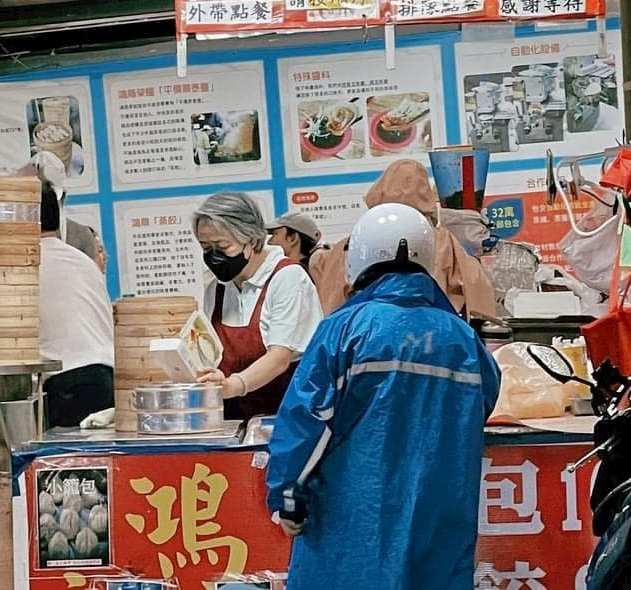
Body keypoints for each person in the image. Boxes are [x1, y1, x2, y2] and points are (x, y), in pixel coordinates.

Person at [267, 203, 500, 590]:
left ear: (358, 258)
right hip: (438, 521)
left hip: (354, 522)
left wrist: (286, 495)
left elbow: (306, 421)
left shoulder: (343, 330)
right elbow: (485, 401)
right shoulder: (462, 338)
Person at [309, 159, 496, 319]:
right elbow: (476, 289)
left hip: (360, 337)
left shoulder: (355, 241)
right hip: (428, 335)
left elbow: (324, 275)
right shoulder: (442, 241)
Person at [192, 192, 323, 419]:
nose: (214, 257)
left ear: (251, 240)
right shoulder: (218, 288)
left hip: (288, 416)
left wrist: (234, 385)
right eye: (206, 248)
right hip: (235, 420)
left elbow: (279, 358)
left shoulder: (288, 277)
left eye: (222, 245)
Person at [38, 181, 114, 427]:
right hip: (105, 376)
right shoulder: (82, 261)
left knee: (70, 462)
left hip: (67, 382)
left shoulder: (27, 263)